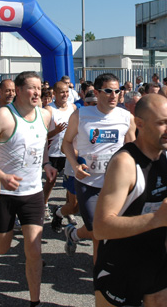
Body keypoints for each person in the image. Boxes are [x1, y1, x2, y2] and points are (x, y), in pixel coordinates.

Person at [92, 94, 167, 307]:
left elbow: (162, 222)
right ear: (140, 124)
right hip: (120, 268)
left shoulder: (164, 154)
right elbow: (100, 227)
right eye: (162, 123)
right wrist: (157, 218)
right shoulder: (125, 164)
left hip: (156, 265)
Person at [0, 71, 57, 307]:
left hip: (33, 193)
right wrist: (1, 176)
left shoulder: (44, 115)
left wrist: (46, 163)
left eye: (39, 88)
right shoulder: (3, 116)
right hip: (3, 194)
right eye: (31, 88)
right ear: (19, 91)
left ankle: (35, 301)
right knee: (2, 247)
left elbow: (41, 143)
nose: (36, 92)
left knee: (34, 250)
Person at [61, 73, 136, 261]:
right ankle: (101, 281)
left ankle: (74, 235)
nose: (114, 95)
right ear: (97, 92)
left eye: (117, 91)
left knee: (109, 232)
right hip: (88, 182)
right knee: (98, 231)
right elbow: (67, 143)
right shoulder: (81, 115)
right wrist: (74, 164)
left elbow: (132, 150)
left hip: (116, 185)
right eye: (108, 91)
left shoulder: (126, 117)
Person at [45, 81, 77, 227]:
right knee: (51, 181)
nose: (65, 95)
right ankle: (44, 205)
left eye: (66, 92)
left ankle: (67, 208)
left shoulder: (73, 107)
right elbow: (42, 134)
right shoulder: (49, 110)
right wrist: (55, 132)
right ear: (54, 94)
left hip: (69, 152)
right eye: (61, 92)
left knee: (70, 184)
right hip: (54, 152)